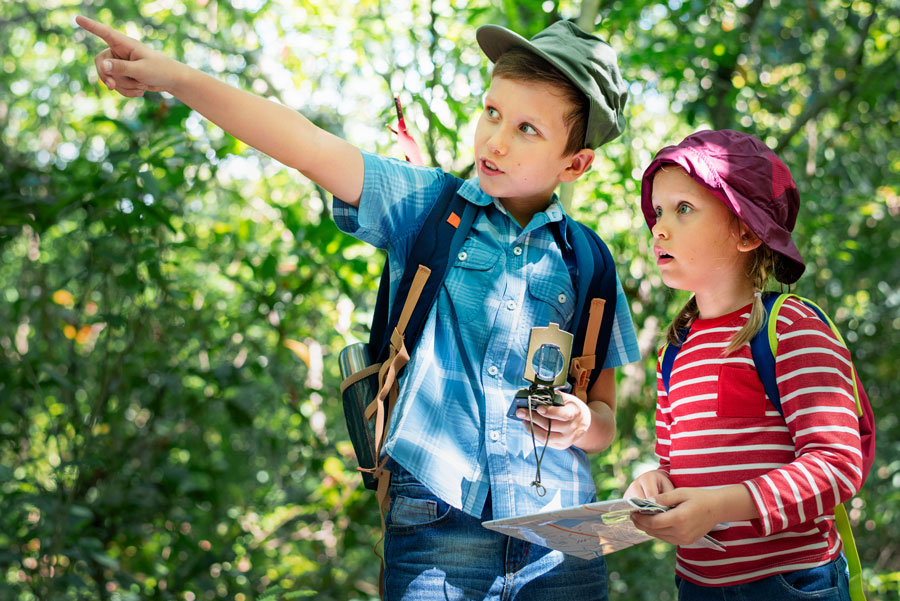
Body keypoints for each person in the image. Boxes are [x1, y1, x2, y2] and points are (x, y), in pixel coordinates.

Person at [78, 15, 641, 600]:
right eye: (492, 112)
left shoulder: (589, 261)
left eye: (527, 129)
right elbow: (306, 144)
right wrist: (176, 77)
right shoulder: (429, 206)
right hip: (436, 523)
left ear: (575, 165)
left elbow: (603, 419)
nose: (494, 139)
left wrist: (581, 423)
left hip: (560, 542)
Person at [624, 129, 862, 600]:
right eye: (657, 212)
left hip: (791, 584)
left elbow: (837, 466)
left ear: (747, 231)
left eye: (683, 209)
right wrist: (653, 482)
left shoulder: (791, 326)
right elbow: (674, 466)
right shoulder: (675, 348)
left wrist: (722, 506)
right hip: (697, 585)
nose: (659, 228)